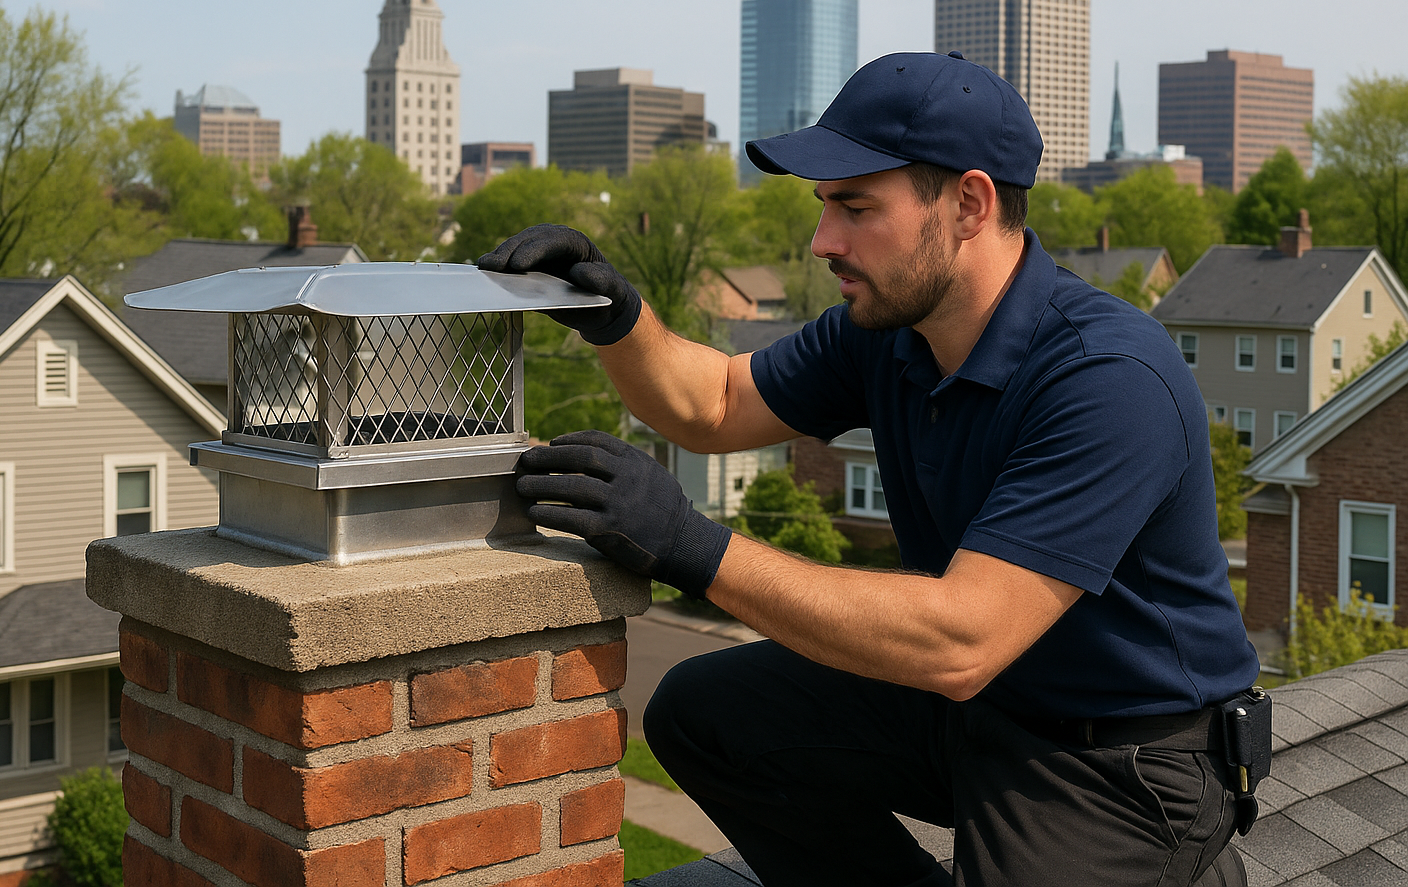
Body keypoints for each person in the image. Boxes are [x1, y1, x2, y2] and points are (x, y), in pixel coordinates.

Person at [479, 51, 1260, 886]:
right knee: (706, 715)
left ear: (969, 202)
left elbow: (962, 636)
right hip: (973, 710)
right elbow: (714, 403)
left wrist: (689, 544)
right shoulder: (888, 331)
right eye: (824, 208)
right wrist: (616, 315)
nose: (824, 241)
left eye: (855, 206)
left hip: (1121, 758)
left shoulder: (1108, 377)